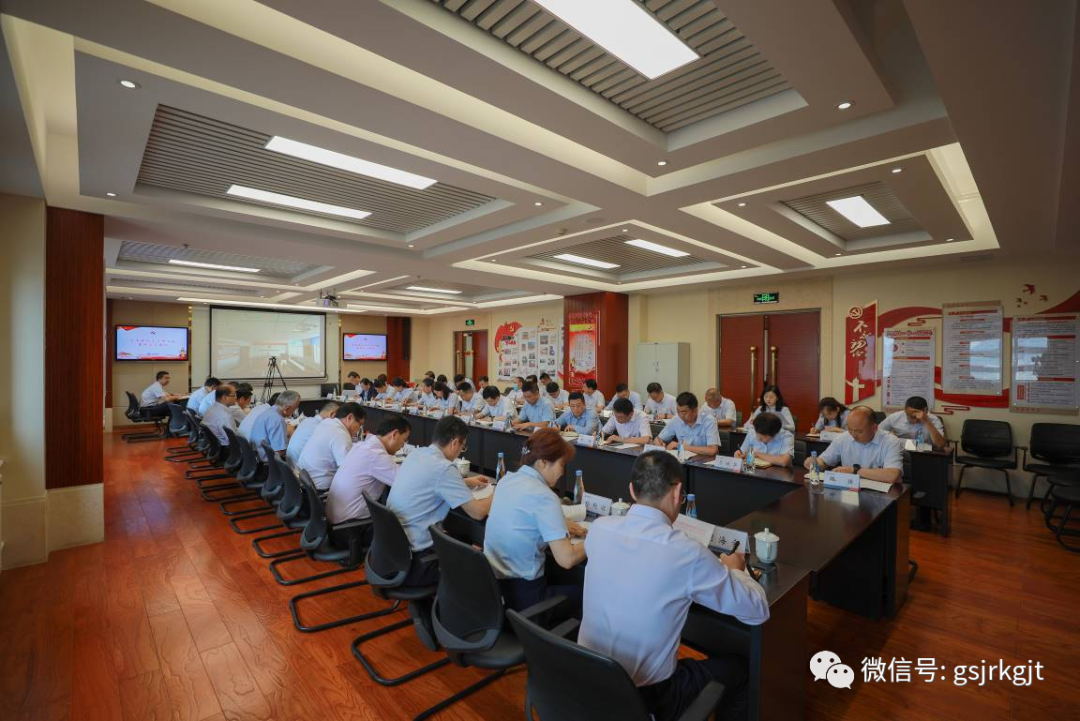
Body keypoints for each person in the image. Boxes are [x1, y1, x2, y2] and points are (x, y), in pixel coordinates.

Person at [579, 451, 767, 721]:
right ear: (678, 492)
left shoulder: (599, 528)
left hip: (587, 680)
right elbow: (757, 610)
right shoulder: (686, 551)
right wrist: (737, 571)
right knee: (740, 670)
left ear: (631, 490)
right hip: (645, 701)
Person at [484, 429, 587, 613]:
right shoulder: (545, 496)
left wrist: (559, 522)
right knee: (587, 594)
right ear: (543, 463)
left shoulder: (507, 480)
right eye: (561, 464)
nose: (562, 472)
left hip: (494, 588)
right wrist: (596, 538)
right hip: (525, 599)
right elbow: (567, 559)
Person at [386, 416, 493, 586]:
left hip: (392, 553)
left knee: (460, 537)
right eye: (463, 447)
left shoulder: (417, 454)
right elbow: (478, 513)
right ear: (454, 443)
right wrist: (498, 492)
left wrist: (465, 481)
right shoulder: (444, 467)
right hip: (417, 563)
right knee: (479, 561)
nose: (461, 451)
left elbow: (429, 481)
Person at [804, 406, 904, 484]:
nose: (853, 435)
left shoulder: (890, 441)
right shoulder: (844, 437)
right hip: (849, 489)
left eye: (859, 432)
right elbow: (824, 461)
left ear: (874, 428)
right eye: (850, 430)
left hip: (880, 493)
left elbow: (892, 475)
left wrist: (854, 471)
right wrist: (816, 463)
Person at [298, 403, 366, 491]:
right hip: (319, 488)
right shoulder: (341, 434)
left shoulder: (326, 422)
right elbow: (348, 472)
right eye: (360, 424)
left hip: (303, 480)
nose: (359, 429)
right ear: (350, 418)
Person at [654, 392, 720, 456]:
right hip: (682, 459)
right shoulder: (676, 419)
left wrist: (681, 446)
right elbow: (658, 439)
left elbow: (712, 450)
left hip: (703, 461)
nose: (681, 415)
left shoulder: (709, 421)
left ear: (695, 410)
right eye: (678, 411)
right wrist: (661, 446)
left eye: (684, 412)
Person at [248, 390, 301, 461]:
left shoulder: (267, 413)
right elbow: (280, 451)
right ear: (287, 409)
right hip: (268, 460)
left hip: (256, 456)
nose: (294, 412)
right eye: (294, 409)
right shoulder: (277, 419)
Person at [878, 395, 946, 447]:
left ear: (925, 411)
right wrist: (888, 436)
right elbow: (876, 433)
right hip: (901, 452)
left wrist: (926, 421)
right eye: (910, 416)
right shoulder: (895, 417)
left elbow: (940, 444)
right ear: (905, 410)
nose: (914, 421)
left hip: (926, 453)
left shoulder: (934, 420)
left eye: (917, 417)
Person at [287, 401, 340, 465]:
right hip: (299, 467)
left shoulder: (307, 420)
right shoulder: (321, 427)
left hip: (290, 463)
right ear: (332, 414)